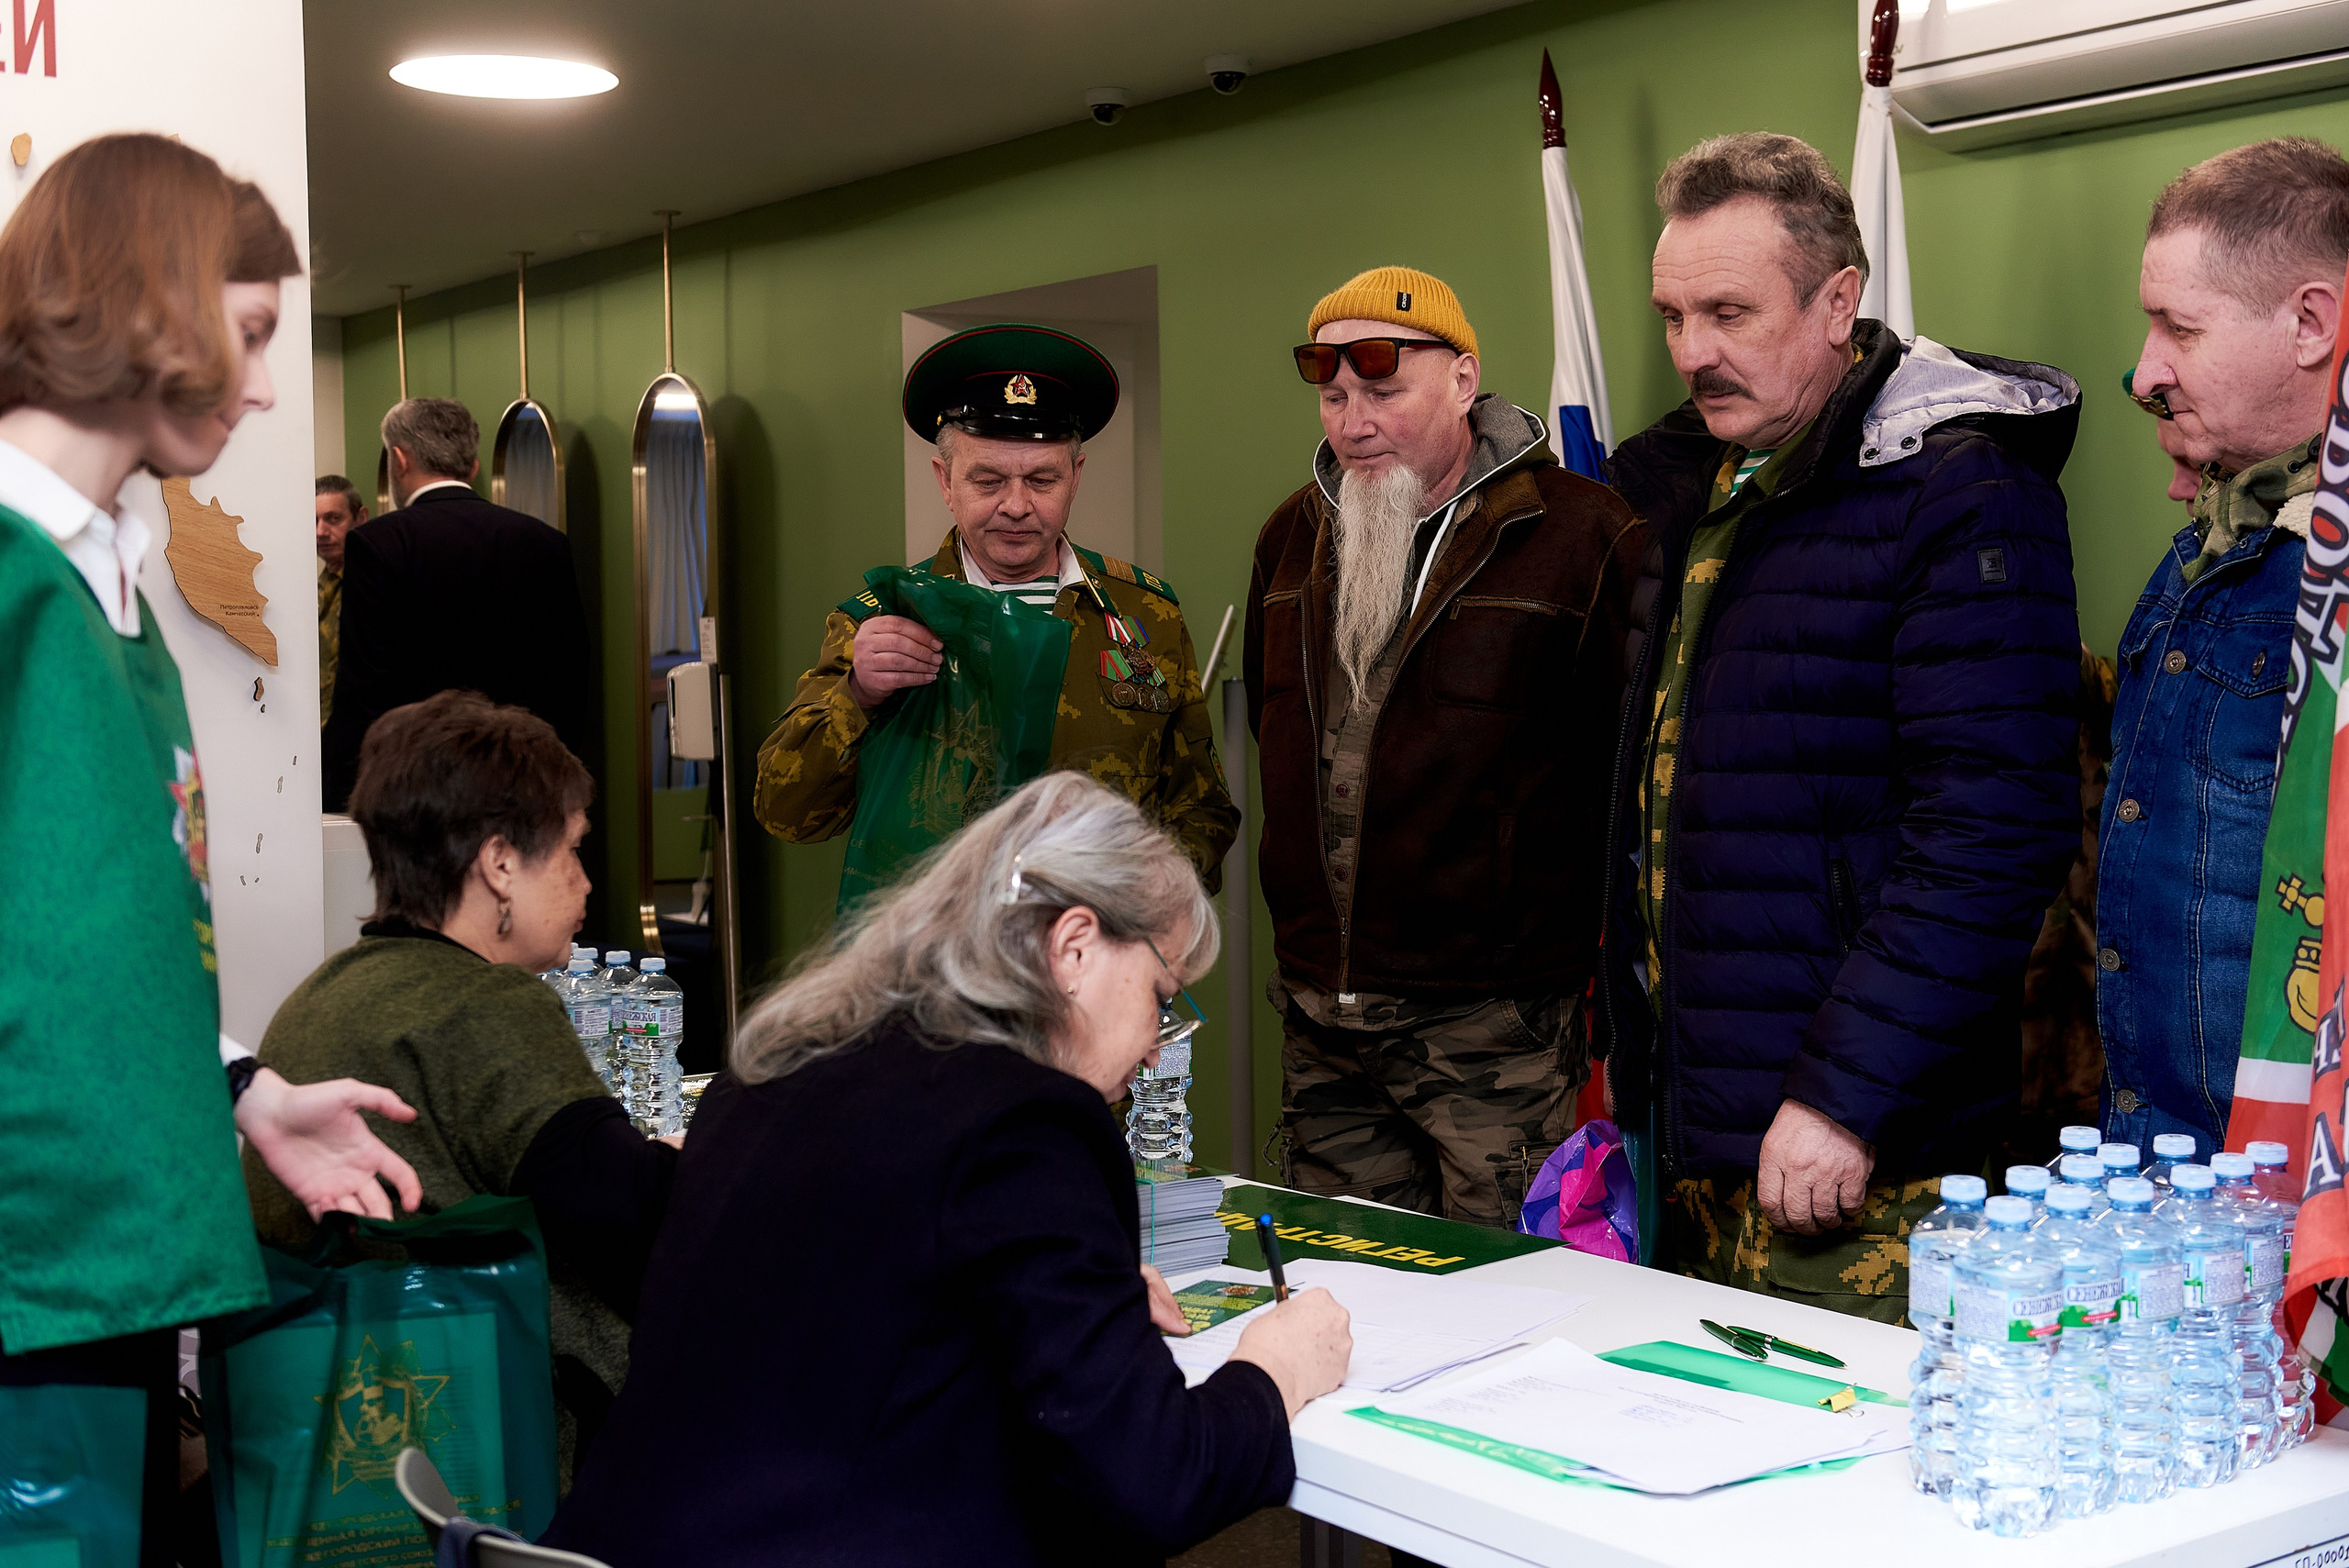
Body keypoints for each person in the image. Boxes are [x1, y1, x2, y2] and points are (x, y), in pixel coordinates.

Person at [546, 772, 1351, 1566]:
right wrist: (1274, 1368)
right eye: (1161, 991)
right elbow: (1156, 1480)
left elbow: (852, 1307)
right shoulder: (1029, 1123)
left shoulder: (774, 1069)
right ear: (1073, 947)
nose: (1158, 1039)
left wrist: (1079, 1296)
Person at [0, 132, 422, 1564]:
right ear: (145, 303)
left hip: (105, 1265)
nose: (259, 388)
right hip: (29, 1265)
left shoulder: (106, 584)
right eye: (246, 336)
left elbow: (93, 934)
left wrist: (238, 1085)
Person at [1598, 133, 2082, 1320]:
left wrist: (1843, 1093)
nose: (1691, 351)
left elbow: (1994, 831)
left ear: (1839, 303)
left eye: (1727, 310)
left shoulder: (1959, 490)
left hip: (1859, 1151)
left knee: (1846, 1491)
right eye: (1670, 314)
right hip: (1693, 1123)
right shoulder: (1680, 488)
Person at [1244, 266, 1643, 1228]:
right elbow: (1276, 733)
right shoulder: (1289, 535)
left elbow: (1627, 780)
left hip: (1492, 1026)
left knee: (1505, 1301)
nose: (1353, 420)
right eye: (1334, 395)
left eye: (1382, 389)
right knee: (1347, 1289)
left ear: (1463, 381)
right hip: (1318, 1019)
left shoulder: (1585, 535)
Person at [247, 689, 678, 1474]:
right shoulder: (485, 1005)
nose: (586, 883)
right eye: (574, 850)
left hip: (325, 1432)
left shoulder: (320, 994)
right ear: (500, 862)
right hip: (496, 1441)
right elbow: (636, 1217)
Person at [753, 323, 1239, 893]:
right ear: (945, 480)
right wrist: (858, 693)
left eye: (1041, 480)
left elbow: (1201, 808)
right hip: (940, 963)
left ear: (1075, 478)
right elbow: (786, 811)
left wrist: (1143, 899)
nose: (1016, 505)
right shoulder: (885, 618)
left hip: (1096, 953)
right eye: (987, 480)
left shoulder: (1145, 614)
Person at [2098, 138, 2349, 1161]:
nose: (2145, 370)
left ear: (2309, 324)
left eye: (2177, 328)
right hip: (2164, 1173)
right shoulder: (2210, 544)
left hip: (2301, 1191)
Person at [321, 396, 593, 810]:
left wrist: (338, 795)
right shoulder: (544, 543)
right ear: (473, 466)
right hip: (522, 780)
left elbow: (364, 688)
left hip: (421, 787)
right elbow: (570, 679)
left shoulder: (380, 544)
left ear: (399, 460)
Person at [315, 473, 365, 728]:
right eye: (313, 521)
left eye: (333, 519)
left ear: (361, 518)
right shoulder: (315, 590)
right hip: (316, 735)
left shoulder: (371, 585)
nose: (321, 532)